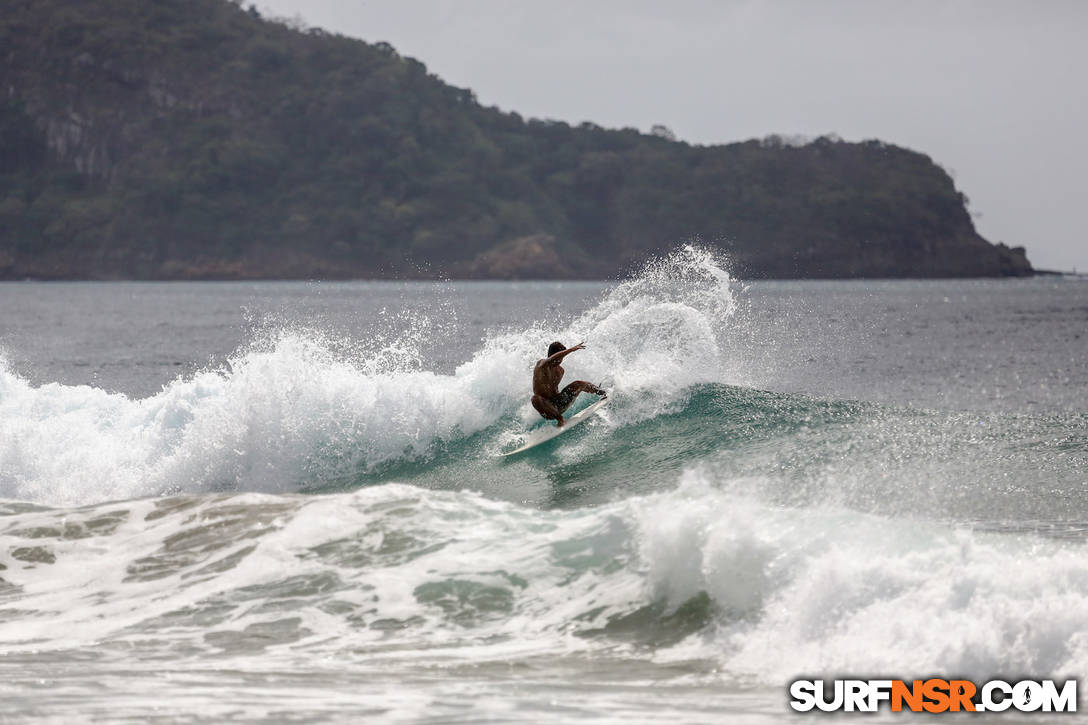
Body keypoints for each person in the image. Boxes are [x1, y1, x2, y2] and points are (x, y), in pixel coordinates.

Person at [531, 341, 606, 427]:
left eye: (561, 358)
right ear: (551, 355)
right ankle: (560, 419)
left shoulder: (560, 371)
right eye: (559, 357)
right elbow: (550, 359)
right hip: (547, 408)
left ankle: (602, 392)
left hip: (559, 403)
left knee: (578, 384)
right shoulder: (541, 365)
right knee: (535, 399)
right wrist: (570, 350)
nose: (559, 361)